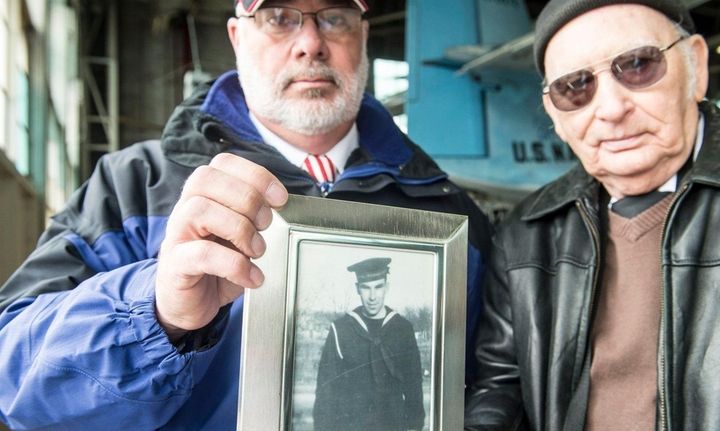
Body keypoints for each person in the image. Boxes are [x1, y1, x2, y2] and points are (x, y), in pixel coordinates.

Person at [0, 0, 493, 429]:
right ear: (238, 37)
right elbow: (12, 379)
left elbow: (490, 386)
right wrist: (156, 311)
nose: (311, 44)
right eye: (279, 18)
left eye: (336, 18)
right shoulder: (134, 187)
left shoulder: (450, 217)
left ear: (362, 35)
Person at [464, 0, 720, 430]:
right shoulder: (525, 233)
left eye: (639, 65)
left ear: (697, 67)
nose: (610, 108)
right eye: (574, 87)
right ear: (554, 114)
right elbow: (502, 386)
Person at [313, 257, 424, 431]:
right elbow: (325, 392)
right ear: (358, 289)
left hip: (393, 424)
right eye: (366, 288)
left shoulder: (403, 329)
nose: (372, 296)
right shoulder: (341, 330)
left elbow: (414, 386)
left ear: (386, 287)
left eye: (378, 287)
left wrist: (415, 426)